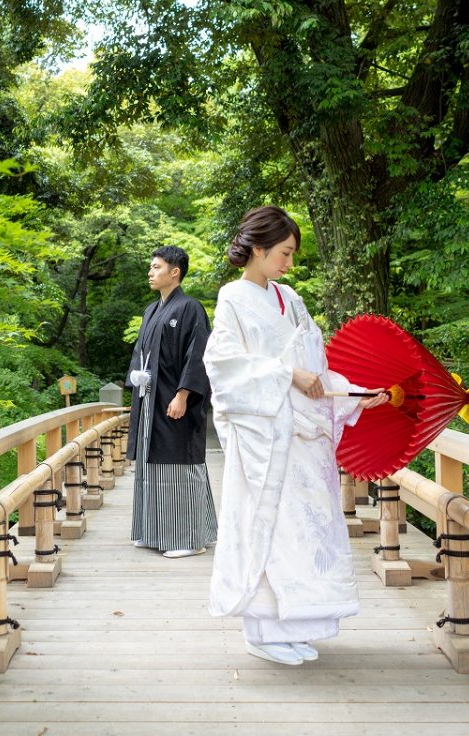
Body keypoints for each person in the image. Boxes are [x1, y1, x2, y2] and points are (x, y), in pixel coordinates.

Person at [202, 206, 389, 665]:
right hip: (266, 437)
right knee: (269, 529)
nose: (288, 263)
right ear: (259, 248)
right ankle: (262, 630)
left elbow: (318, 369)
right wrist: (287, 373)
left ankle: (295, 624)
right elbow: (224, 365)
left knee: (306, 534)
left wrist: (354, 395)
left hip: (304, 437)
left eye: (291, 255)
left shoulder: (292, 299)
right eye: (284, 253)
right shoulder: (233, 297)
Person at [126, 245, 218, 559]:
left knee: (179, 465)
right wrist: (137, 378)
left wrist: (183, 394)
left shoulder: (190, 308)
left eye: (156, 267)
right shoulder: (152, 310)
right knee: (151, 465)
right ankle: (153, 532)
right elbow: (141, 353)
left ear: (174, 271)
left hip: (176, 401)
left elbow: (199, 355)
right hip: (151, 400)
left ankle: (190, 539)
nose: (150, 273)